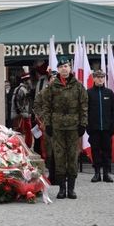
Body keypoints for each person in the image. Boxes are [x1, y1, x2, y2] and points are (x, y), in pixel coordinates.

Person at [40, 56, 88, 199]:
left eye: (66, 66)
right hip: (57, 127)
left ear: (70, 68)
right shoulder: (52, 87)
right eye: (61, 67)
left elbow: (84, 106)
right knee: (59, 157)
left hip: (74, 127)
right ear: (58, 69)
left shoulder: (78, 86)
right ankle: (62, 188)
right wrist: (47, 124)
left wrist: (83, 124)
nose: (64, 69)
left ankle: (71, 189)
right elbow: (46, 107)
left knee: (73, 157)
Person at [86, 70, 114, 183]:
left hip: (107, 128)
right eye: (98, 77)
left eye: (102, 77)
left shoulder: (109, 93)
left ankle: (106, 173)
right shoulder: (89, 93)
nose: (100, 79)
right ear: (93, 78)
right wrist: (87, 126)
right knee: (95, 150)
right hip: (94, 128)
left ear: (104, 79)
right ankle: (97, 173)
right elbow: (86, 111)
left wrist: (112, 124)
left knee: (107, 151)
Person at [11, 71, 34, 147]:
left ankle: (25, 147)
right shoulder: (22, 90)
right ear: (25, 81)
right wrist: (22, 113)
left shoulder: (22, 89)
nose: (30, 81)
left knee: (25, 132)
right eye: (29, 80)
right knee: (25, 132)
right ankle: (26, 147)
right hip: (22, 115)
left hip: (23, 114)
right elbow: (18, 103)